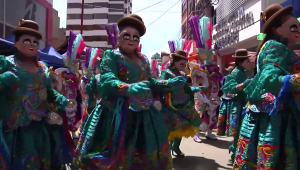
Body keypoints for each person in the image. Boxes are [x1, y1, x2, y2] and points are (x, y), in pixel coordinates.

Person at [74, 14, 187, 169]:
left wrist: (168, 83)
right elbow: (107, 80)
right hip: (115, 114)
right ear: (119, 37)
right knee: (116, 156)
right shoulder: (111, 55)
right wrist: (128, 87)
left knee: (144, 155)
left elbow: (150, 82)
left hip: (144, 115)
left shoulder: (143, 59)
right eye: (127, 35)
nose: (131, 39)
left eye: (136, 37)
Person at [233, 4, 300, 169]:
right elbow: (270, 79)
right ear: (277, 29)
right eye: (293, 27)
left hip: (266, 112)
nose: (298, 30)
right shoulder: (275, 46)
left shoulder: (269, 46)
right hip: (275, 115)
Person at [0, 20, 70, 169]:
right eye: (26, 40)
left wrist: (58, 98)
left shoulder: (43, 68)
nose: (32, 44)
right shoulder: (7, 63)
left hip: (40, 126)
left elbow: (49, 91)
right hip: (16, 129)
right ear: (16, 43)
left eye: (35, 42)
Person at [160, 50, 206, 156]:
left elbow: (187, 89)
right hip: (170, 106)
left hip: (184, 105)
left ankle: (176, 147)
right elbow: (160, 86)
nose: (183, 66)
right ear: (174, 61)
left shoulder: (182, 74)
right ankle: (166, 152)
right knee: (171, 130)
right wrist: (169, 84)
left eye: (185, 65)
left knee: (182, 129)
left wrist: (196, 89)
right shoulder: (166, 72)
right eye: (181, 64)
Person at [216, 49, 253, 163]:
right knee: (239, 131)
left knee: (240, 131)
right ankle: (235, 154)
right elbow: (229, 87)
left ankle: (236, 152)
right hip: (236, 105)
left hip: (241, 103)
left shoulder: (242, 72)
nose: (249, 63)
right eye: (247, 61)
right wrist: (244, 84)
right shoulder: (237, 72)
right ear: (241, 62)